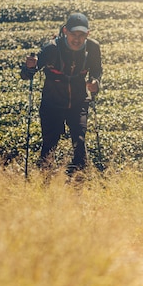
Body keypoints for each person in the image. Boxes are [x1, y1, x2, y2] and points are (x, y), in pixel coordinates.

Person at [21, 12, 103, 176]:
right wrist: (30, 66)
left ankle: (78, 179)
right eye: (73, 34)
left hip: (79, 101)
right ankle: (45, 179)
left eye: (81, 35)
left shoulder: (93, 48)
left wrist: (95, 83)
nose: (77, 39)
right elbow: (27, 74)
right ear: (65, 31)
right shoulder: (51, 48)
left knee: (79, 141)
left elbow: (97, 72)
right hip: (52, 103)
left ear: (88, 34)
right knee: (50, 142)